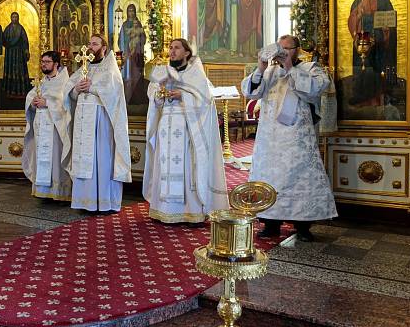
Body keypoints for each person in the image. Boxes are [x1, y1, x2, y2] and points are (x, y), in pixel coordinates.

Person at [241, 35, 337, 241]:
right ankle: (270, 223)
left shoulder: (311, 69)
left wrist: (290, 67)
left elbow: (316, 88)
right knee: (269, 178)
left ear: (297, 50)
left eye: (287, 48)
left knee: (300, 180)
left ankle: (302, 227)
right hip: (270, 139)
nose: (282, 52)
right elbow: (250, 92)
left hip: (297, 139)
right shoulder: (269, 71)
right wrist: (260, 67)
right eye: (279, 48)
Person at [143, 39, 229, 223]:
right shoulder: (162, 72)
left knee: (186, 167)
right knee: (164, 164)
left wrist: (184, 95)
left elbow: (206, 102)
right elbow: (154, 100)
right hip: (166, 126)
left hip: (187, 127)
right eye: (170, 48)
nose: (172, 52)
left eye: (176, 48)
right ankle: (163, 209)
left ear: (187, 53)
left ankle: (190, 212)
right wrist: (159, 93)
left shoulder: (195, 74)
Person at [66, 34, 131, 212]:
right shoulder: (82, 69)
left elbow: (113, 93)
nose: (90, 47)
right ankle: (84, 201)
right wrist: (75, 90)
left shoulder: (109, 68)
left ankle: (104, 202)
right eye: (89, 43)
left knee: (101, 159)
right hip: (82, 119)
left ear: (104, 48)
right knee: (83, 157)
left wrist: (91, 88)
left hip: (101, 120)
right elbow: (69, 92)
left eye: (95, 44)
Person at [22, 51, 72, 201]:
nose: (43, 64)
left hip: (56, 128)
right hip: (41, 126)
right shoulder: (41, 82)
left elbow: (65, 103)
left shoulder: (64, 82)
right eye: (42, 61)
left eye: (47, 62)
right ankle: (42, 190)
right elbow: (30, 96)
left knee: (56, 159)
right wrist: (32, 102)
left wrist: (48, 103)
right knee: (41, 157)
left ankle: (59, 192)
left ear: (56, 64)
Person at [0, 11, 31, 98]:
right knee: (10, 70)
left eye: (16, 17)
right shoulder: (8, 28)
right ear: (11, 18)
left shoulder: (21, 28)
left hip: (19, 53)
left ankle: (21, 91)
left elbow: (25, 41)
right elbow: (4, 41)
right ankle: (9, 91)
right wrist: (1, 35)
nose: (15, 18)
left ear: (18, 18)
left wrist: (26, 50)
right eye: (13, 17)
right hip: (10, 54)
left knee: (20, 71)